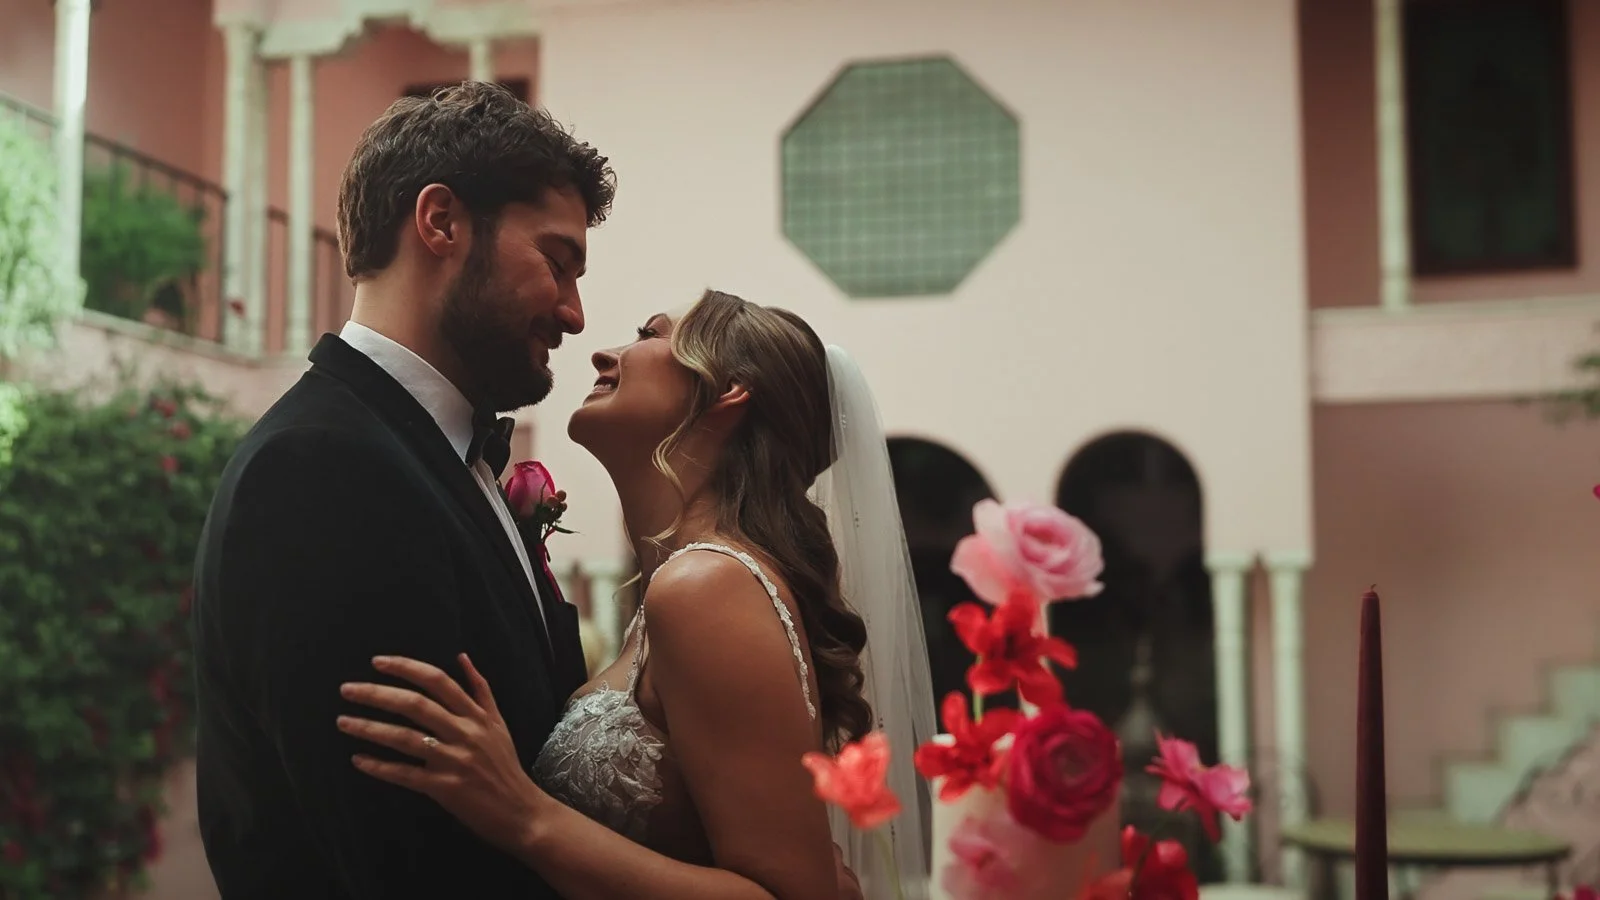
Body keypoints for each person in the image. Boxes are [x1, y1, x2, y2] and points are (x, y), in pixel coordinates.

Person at [335, 290, 940, 898]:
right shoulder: (684, 586)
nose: (605, 352)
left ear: (728, 391)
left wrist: (526, 816)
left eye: (648, 335)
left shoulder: (708, 585)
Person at [190, 82, 613, 898]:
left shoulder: (441, 458)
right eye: (557, 263)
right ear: (441, 222)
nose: (574, 313)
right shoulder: (319, 470)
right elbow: (402, 855)